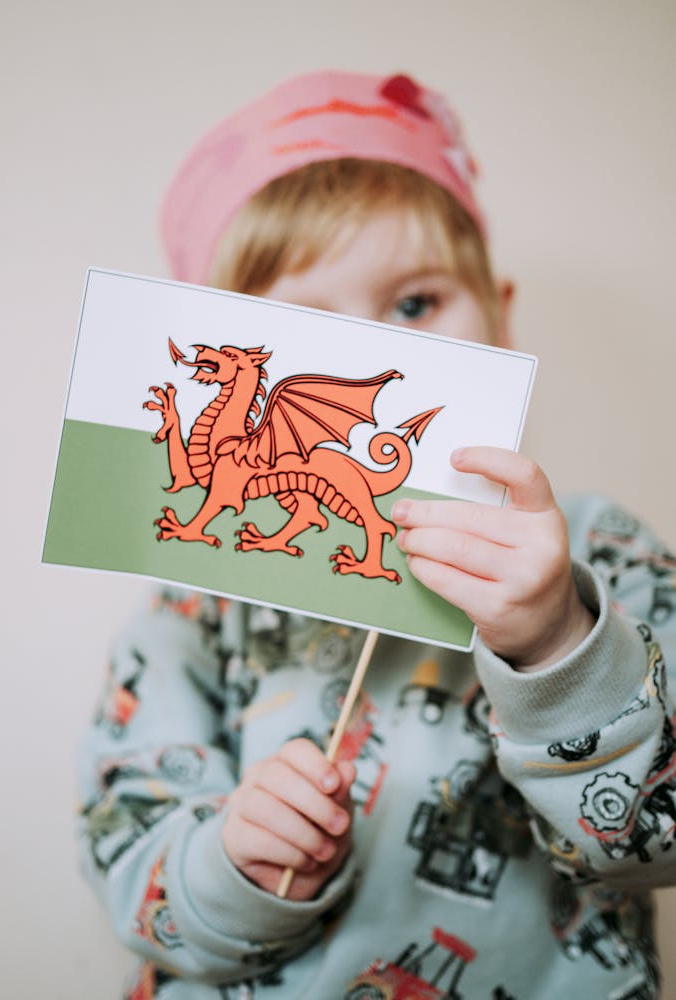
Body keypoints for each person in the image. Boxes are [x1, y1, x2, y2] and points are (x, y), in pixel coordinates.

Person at [77, 70, 676, 999]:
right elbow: (131, 856)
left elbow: (656, 841)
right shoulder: (195, 588)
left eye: (414, 305)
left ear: (501, 311)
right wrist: (231, 867)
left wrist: (560, 646)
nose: (388, 356)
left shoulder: (600, 556)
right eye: (305, 325)